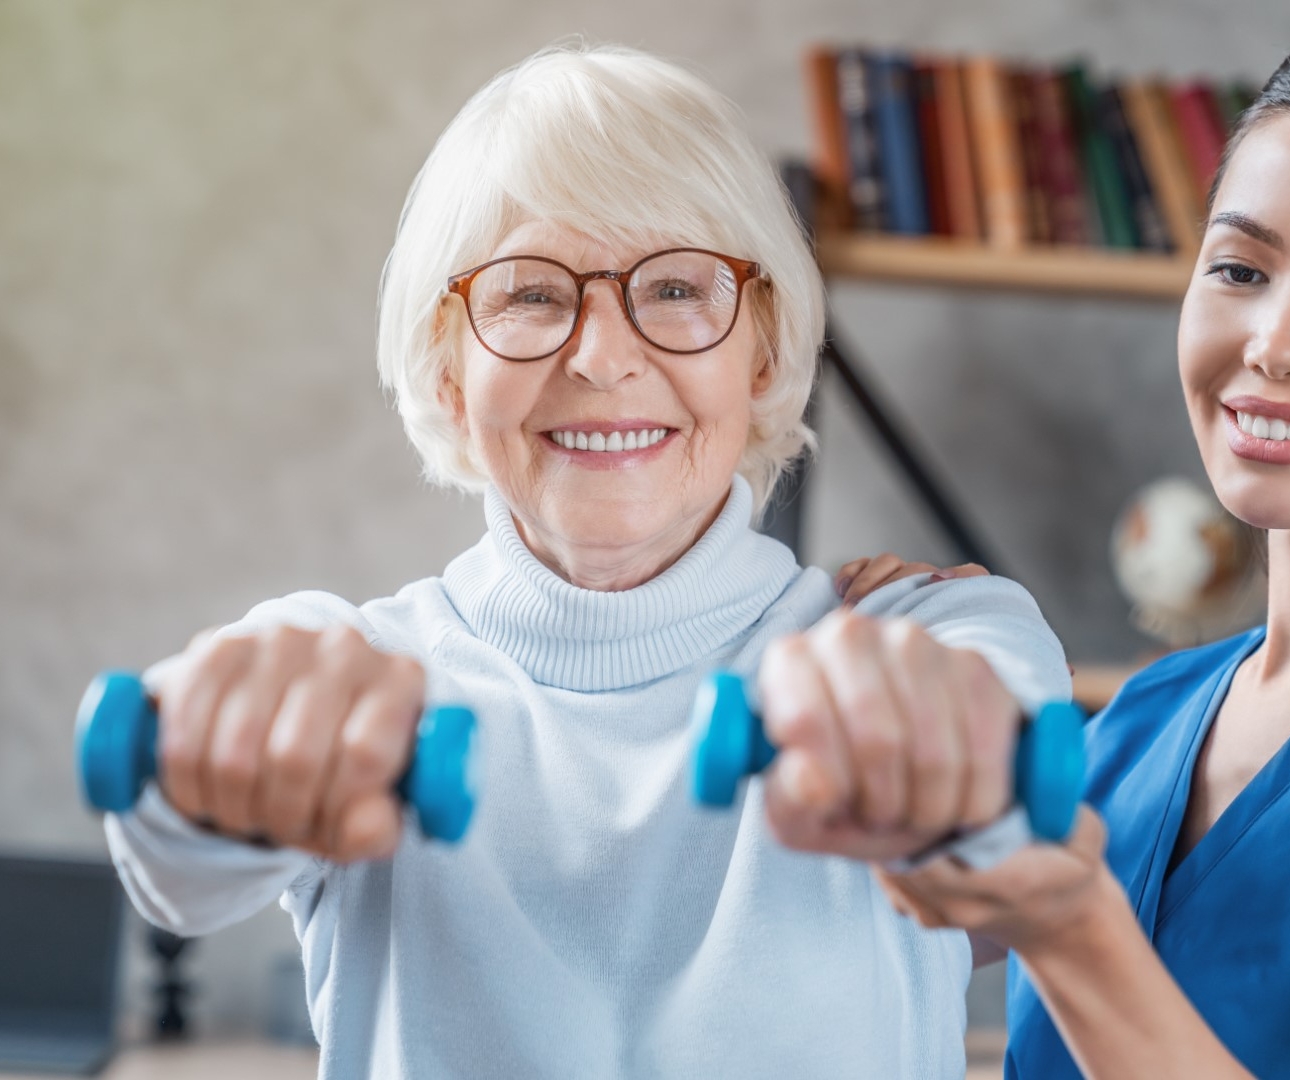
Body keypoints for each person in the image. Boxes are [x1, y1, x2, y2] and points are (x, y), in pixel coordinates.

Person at [102, 42, 1070, 1080]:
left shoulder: (936, 634)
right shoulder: (348, 667)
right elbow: (177, 866)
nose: (604, 355)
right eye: (528, 295)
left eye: (676, 289)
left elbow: (1012, 828)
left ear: (762, 344)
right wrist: (200, 757)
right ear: (446, 364)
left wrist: (942, 744)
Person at [864, 18, 1290, 1079]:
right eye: (1238, 269)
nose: (1273, 342)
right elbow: (823, 945)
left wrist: (1072, 931)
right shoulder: (1142, 718)